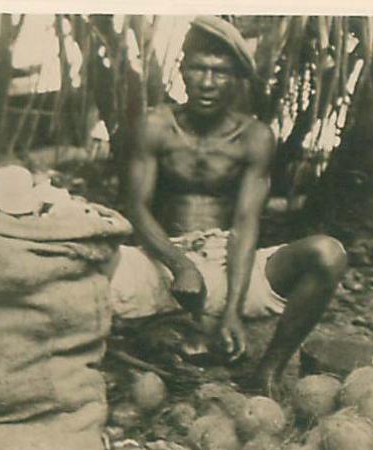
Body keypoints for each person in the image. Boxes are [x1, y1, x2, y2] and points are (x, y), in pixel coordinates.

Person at [109, 16, 347, 397]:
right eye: (199, 68)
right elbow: (136, 208)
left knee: (327, 253)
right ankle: (125, 352)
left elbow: (245, 223)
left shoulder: (255, 137)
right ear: (182, 69)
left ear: (236, 77)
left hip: (227, 265)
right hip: (159, 262)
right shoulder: (155, 126)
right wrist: (180, 264)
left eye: (219, 72)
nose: (207, 82)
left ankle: (267, 372)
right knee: (85, 262)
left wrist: (233, 309)